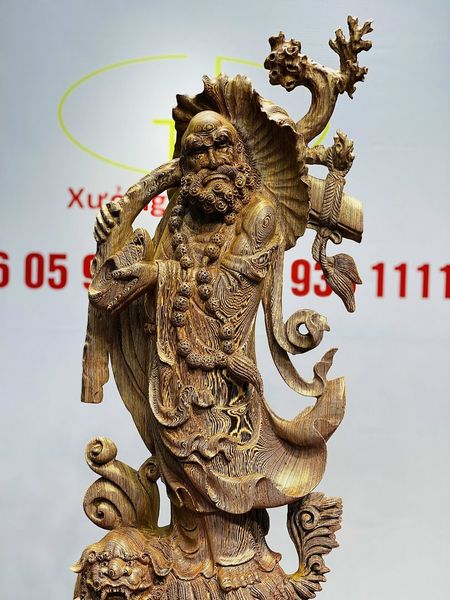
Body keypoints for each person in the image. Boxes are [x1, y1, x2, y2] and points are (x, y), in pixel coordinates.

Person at [86, 76, 345, 591]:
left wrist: (158, 276)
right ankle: (187, 558)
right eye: (196, 152)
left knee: (223, 478)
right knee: (183, 489)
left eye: (220, 146)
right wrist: (115, 242)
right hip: (172, 376)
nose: (209, 161)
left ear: (243, 155)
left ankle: (236, 566)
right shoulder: (179, 217)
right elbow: (130, 291)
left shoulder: (259, 216)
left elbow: (226, 301)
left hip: (223, 384)